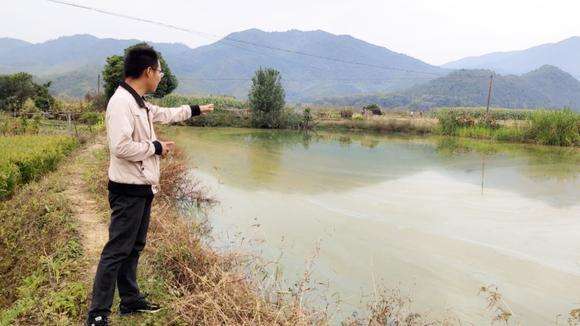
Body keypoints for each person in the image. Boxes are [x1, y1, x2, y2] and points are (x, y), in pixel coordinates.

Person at [86, 44, 214, 326]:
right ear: (147, 71)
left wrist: (194, 110)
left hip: (142, 186)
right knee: (117, 249)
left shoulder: (139, 102)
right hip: (127, 188)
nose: (160, 75)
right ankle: (97, 313)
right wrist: (155, 147)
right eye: (159, 71)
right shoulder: (121, 103)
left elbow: (165, 114)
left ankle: (130, 300)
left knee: (134, 247)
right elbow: (120, 147)